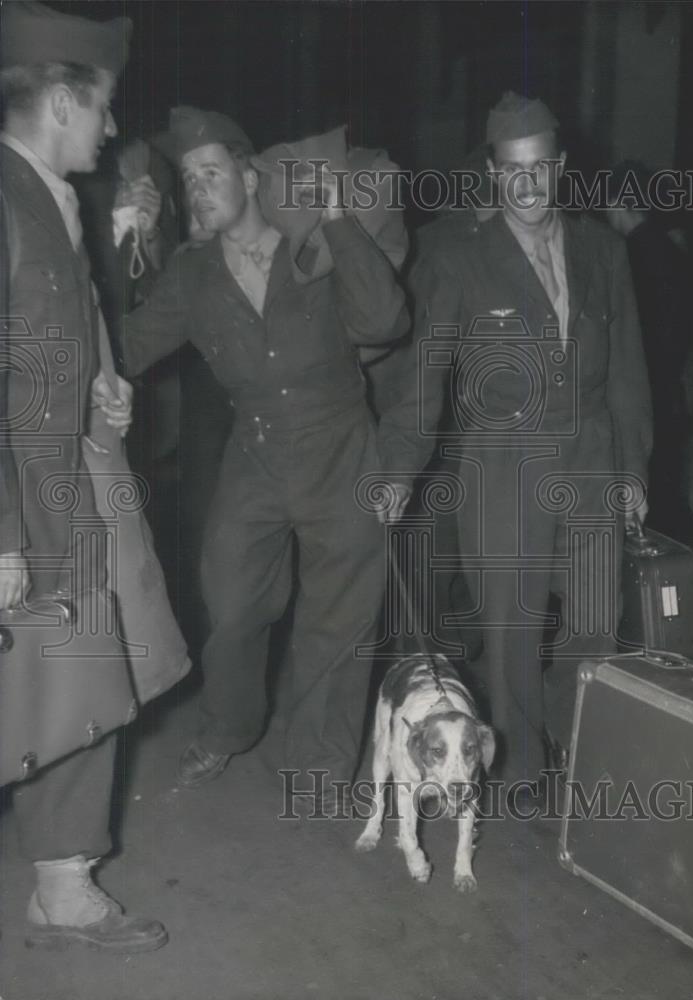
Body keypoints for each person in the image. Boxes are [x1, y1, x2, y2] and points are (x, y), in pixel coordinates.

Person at [120, 107, 409, 807]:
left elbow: (385, 322)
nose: (200, 188)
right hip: (255, 453)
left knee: (337, 617)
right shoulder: (192, 277)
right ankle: (229, 726)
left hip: (342, 448)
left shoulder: (309, 248)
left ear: (252, 176)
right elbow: (124, 346)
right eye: (189, 179)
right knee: (232, 601)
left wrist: (336, 216)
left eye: (212, 171)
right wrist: (122, 243)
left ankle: (314, 764)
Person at [385, 92, 652, 781]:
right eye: (510, 170)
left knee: (596, 616)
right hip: (502, 462)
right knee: (509, 629)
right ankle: (524, 768)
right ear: (493, 173)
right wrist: (397, 467)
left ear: (560, 167)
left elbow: (627, 373)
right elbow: (427, 372)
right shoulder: (458, 254)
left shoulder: (602, 247)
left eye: (538, 167)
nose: (526, 185)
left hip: (591, 455)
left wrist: (635, 471)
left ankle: (573, 740)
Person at [0, 1, 167, 952]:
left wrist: (101, 389)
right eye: (102, 108)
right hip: (23, 504)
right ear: (62, 101)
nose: (111, 128)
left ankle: (63, 884)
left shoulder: (49, 199)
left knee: (75, 680)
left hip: (62, 491)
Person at [606, 160, 693, 538]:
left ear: (618, 203)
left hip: (643, 393)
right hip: (669, 393)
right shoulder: (671, 252)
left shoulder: (629, 256)